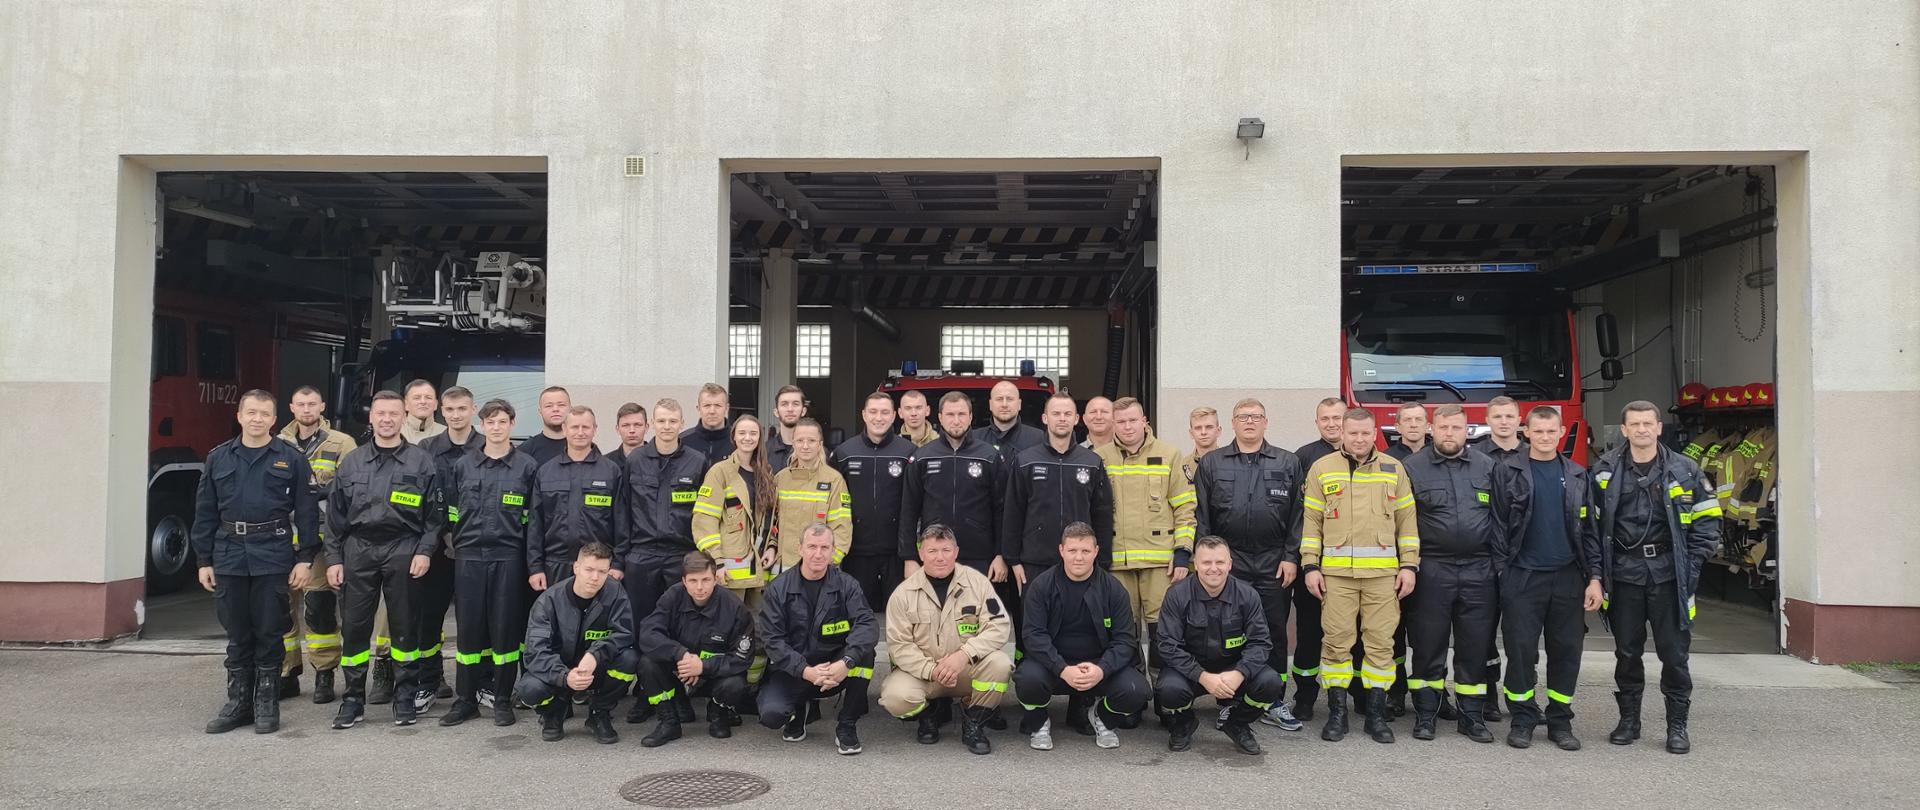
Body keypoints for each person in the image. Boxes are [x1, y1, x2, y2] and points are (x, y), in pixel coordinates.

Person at [1592, 400, 1722, 755]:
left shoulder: (1685, 469)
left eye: (1648, 423)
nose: (1642, 430)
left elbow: (1709, 522)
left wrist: (1691, 567)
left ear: (1659, 427)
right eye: (1634, 424)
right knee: (1626, 652)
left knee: (1674, 655)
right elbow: (1590, 525)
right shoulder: (1604, 469)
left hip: (1670, 577)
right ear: (1624, 429)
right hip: (1624, 576)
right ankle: (1629, 721)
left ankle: (1676, 726)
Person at [193, 390, 320, 734]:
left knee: (269, 629)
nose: (257, 419)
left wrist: (305, 558)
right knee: (237, 631)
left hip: (273, 553)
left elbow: (308, 514)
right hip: (229, 553)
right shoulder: (218, 458)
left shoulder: (290, 458)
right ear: (239, 416)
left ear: (274, 419)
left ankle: (266, 702)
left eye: (264, 414)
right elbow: (205, 511)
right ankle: (238, 704)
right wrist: (204, 559)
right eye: (251, 413)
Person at [325, 391, 445, 729]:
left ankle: (404, 698)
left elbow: (435, 516)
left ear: (403, 414)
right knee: (355, 627)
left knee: (406, 627)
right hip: (358, 549)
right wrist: (334, 558)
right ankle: (352, 700)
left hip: (404, 549)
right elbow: (335, 516)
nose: (387, 419)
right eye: (381, 413)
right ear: (371, 418)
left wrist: (424, 551)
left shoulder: (421, 461)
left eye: (394, 413)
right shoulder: (352, 461)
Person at [1300, 408, 1419, 745]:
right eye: (1353, 433)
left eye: (1366, 433)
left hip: (1383, 576)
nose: (1359, 439)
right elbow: (1311, 522)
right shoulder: (1322, 469)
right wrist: (1310, 565)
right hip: (1336, 576)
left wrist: (1409, 565)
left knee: (1380, 645)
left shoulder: (1393, 469)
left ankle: (1377, 715)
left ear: (1374, 434)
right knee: (1336, 644)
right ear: (1343, 433)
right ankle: (1338, 713)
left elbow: (1406, 522)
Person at [1491, 406, 1602, 751]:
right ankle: (1522, 719)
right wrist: (1503, 574)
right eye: (1537, 431)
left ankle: (1559, 722)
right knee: (1521, 651)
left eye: (1550, 431)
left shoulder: (1578, 474)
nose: (1544, 437)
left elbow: (1589, 532)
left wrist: (1595, 577)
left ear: (1561, 433)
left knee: (1566, 651)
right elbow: (1496, 526)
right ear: (1526, 432)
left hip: (1568, 578)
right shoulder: (1507, 470)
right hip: (1522, 577)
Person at [1192, 397, 1305, 732]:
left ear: (1266, 422)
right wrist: (1208, 563)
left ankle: (1273, 700)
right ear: (1233, 423)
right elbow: (1202, 518)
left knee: (1272, 632)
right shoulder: (1213, 463)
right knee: (1230, 632)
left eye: (1256, 417)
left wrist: (1291, 557)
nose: (1250, 422)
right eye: (1243, 417)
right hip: (1230, 562)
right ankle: (1230, 701)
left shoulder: (1287, 462)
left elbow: (1299, 515)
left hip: (1274, 561)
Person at [438, 399, 540, 728]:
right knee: (468, 630)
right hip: (468, 556)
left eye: (502, 421)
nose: (496, 427)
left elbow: (532, 519)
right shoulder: (463, 466)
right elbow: (451, 513)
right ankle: (465, 699)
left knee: (504, 630)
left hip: (508, 556)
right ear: (482, 426)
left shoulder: (527, 466)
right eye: (490, 422)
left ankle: (502, 699)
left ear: (512, 424)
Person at [1401, 404, 1501, 742]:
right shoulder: (1411, 468)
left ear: (1466, 430)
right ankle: (1426, 713)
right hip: (1432, 568)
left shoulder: (1488, 467)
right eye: (1443, 427)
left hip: (1479, 570)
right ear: (1432, 429)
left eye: (1456, 428)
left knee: (1474, 646)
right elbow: (1401, 523)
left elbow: (1501, 521)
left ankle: (1471, 717)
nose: (1449, 433)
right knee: (1428, 645)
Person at [1094, 396, 1195, 722]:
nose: (1127, 427)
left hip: (1160, 564)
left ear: (1144, 421)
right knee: (1124, 637)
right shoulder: (1099, 457)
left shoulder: (1169, 454)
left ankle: (1167, 700)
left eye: (1132, 421)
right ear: (1113, 424)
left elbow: (1185, 508)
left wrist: (1183, 553)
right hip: (1116, 565)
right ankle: (1133, 699)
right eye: (1120, 422)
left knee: (1163, 635)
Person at [1012, 523, 1150, 751]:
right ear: (1061, 551)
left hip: (1097, 667)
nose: (1079, 557)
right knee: (1027, 680)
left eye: (1085, 551)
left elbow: (1125, 640)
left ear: (1096, 552)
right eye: (1073, 550)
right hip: (1054, 667)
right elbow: (1033, 635)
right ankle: (1039, 722)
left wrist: (1102, 669)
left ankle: (1102, 716)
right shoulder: (1042, 587)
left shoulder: (1114, 590)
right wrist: (1062, 668)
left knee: (1137, 690)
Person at [879, 524, 1014, 754]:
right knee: (895, 697)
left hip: (965, 669)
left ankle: (973, 721)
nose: (939, 557)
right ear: (921, 553)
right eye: (932, 551)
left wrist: (964, 656)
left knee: (1000, 665)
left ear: (956, 552)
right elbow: (900, 646)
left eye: (946, 550)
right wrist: (932, 670)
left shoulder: (977, 583)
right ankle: (929, 715)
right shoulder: (903, 594)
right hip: (924, 674)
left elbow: (998, 625)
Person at [617, 397, 708, 726]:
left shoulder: (697, 462)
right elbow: (623, 511)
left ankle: (678, 693)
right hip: (641, 555)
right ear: (652, 424)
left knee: (679, 627)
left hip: (680, 556)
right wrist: (622, 556)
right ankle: (646, 693)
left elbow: (705, 514)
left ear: (681, 423)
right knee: (644, 627)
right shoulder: (636, 460)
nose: (667, 427)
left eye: (673, 421)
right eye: (661, 421)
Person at [757, 523, 879, 755]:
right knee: (772, 715)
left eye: (825, 547)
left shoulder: (847, 585)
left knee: (864, 655)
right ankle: (798, 710)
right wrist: (805, 671)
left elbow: (867, 625)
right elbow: (773, 641)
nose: (818, 553)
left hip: (836, 668)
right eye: (812, 546)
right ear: (800, 548)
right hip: (794, 671)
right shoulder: (778, 589)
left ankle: (847, 725)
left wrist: (846, 662)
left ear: (833, 551)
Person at [1156, 536, 1282, 755]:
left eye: (1220, 562)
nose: (1213, 569)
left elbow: (1260, 643)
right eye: (1206, 563)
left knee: (1271, 682)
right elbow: (1168, 645)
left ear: (1230, 564)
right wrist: (1203, 676)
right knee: (1168, 690)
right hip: (1192, 671)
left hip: (1233, 670)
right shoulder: (1177, 595)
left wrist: (1240, 673)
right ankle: (1184, 723)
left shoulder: (1247, 595)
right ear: (1195, 564)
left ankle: (1237, 723)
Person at [276, 385, 357, 704]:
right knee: (281, 611)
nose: (306, 409)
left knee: (319, 611)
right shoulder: (277, 443)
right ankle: (286, 672)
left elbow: (350, 491)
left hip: (322, 541)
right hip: (280, 539)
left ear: (322, 406)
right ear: (291, 408)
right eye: (300, 404)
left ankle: (324, 673)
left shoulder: (342, 443)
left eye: (312, 403)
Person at [516, 541, 637, 745]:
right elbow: (535, 652)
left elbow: (624, 634)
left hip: (594, 668)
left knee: (629, 659)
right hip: (559, 670)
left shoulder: (616, 593)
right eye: (589, 569)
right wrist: (564, 676)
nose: (595, 577)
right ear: (576, 567)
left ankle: (599, 712)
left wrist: (595, 654)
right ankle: (553, 713)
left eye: (602, 571)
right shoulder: (548, 601)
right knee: (529, 689)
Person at [636, 553, 755, 746]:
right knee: (647, 663)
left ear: (715, 579)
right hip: (680, 672)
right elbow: (648, 633)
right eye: (693, 581)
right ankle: (669, 721)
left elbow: (742, 658)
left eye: (706, 580)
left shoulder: (734, 608)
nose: (699, 587)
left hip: (712, 676)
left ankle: (718, 713)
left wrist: (703, 666)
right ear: (684, 581)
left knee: (735, 684)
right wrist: (680, 654)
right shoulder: (672, 597)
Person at [1003, 391, 1114, 590]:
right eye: (1056, 414)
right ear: (1045, 418)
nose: (1062, 419)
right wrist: (1013, 560)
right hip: (1034, 563)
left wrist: (1102, 562)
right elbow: (1013, 511)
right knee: (1035, 620)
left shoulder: (1092, 462)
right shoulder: (1025, 460)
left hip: (1080, 562)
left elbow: (1102, 514)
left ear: (1076, 419)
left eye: (1067, 414)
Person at [899, 392, 1008, 587]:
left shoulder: (989, 456)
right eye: (950, 415)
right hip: (935, 555)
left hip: (979, 557)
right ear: (940, 417)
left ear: (970, 417)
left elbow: (1001, 510)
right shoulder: (923, 457)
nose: (956, 421)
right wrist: (910, 558)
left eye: (961, 414)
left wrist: (1000, 554)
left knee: (974, 616)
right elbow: (908, 510)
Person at [414, 385, 479, 708]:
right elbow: (422, 499)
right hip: (436, 548)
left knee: (474, 618)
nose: (456, 416)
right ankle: (429, 679)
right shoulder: (426, 449)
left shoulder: (487, 447)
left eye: (462, 409)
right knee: (429, 616)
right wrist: (433, 539)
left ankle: (476, 682)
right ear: (442, 411)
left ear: (473, 410)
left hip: (475, 547)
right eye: (450, 410)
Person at [1286, 397, 1346, 724]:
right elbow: (1298, 514)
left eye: (1337, 417)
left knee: (1354, 634)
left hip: (1351, 566)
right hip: (1313, 561)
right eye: (1325, 418)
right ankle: (1305, 696)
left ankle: (1359, 696)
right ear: (1317, 422)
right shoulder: (1303, 458)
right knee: (1310, 634)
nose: (1332, 423)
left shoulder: (1365, 457)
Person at [830, 392, 916, 612]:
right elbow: (832, 502)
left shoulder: (909, 452)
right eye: (873, 412)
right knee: (858, 616)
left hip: (896, 554)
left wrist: (910, 553)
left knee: (900, 617)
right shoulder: (844, 453)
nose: (879, 418)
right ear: (864, 415)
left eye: (885, 412)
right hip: (856, 553)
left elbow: (916, 502)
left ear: (895, 415)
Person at [1469, 394, 1525, 722]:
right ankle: (1488, 697)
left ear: (1520, 420)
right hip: (1485, 558)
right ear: (1488, 421)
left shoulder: (1535, 456)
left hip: (1523, 559)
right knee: (1483, 634)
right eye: (1498, 417)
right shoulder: (1475, 456)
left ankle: (1522, 700)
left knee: (1521, 635)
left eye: (1509, 416)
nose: (1504, 422)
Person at [528, 406, 624, 590]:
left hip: (598, 566)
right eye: (574, 427)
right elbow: (535, 524)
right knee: (558, 617)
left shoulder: (610, 471)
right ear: (564, 429)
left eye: (586, 427)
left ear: (595, 429)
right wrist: (535, 567)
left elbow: (621, 522)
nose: (580, 432)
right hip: (555, 565)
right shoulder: (546, 472)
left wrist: (618, 564)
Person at [690, 415, 774, 612]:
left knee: (757, 630)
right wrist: (717, 561)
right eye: (742, 433)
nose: (747, 438)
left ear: (760, 438)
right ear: (734, 437)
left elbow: (771, 518)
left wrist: (771, 546)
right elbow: (704, 520)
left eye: (753, 433)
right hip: (729, 571)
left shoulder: (766, 473)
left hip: (758, 569)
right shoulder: (720, 472)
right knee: (727, 627)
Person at [766, 419, 852, 570]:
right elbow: (772, 523)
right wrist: (771, 547)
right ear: (793, 443)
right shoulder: (781, 479)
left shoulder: (834, 480)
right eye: (800, 440)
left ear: (820, 444)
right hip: (780, 570)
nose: (805, 446)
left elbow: (841, 527)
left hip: (818, 570)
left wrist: (829, 563)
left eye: (811, 441)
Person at [972, 380, 1045, 464]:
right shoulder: (975, 438)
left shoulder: (1037, 438)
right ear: (991, 405)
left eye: (1010, 399)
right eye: (999, 399)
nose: (1004, 404)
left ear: (1019, 404)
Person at [681, 383, 736, 470]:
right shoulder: (682, 442)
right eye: (707, 405)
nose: (712, 411)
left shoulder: (738, 441)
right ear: (698, 408)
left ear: (726, 408)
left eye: (718, 405)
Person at [516, 386, 574, 465]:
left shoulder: (582, 447)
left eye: (561, 405)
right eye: (549, 406)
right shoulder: (524, 451)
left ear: (570, 409)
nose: (555, 409)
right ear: (540, 411)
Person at [765, 384, 806, 472]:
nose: (790, 409)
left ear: (803, 411)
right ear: (776, 412)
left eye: (795, 404)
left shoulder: (818, 452)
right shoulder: (763, 452)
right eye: (784, 404)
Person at [1181, 406, 1221, 483]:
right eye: (1198, 428)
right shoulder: (1181, 467)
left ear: (1218, 431)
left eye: (1209, 427)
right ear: (1191, 433)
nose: (1203, 432)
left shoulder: (1230, 464)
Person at [400, 379, 445, 445]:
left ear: (436, 404)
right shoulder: (394, 432)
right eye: (417, 398)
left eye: (428, 397)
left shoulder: (446, 433)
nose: (423, 402)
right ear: (406, 404)